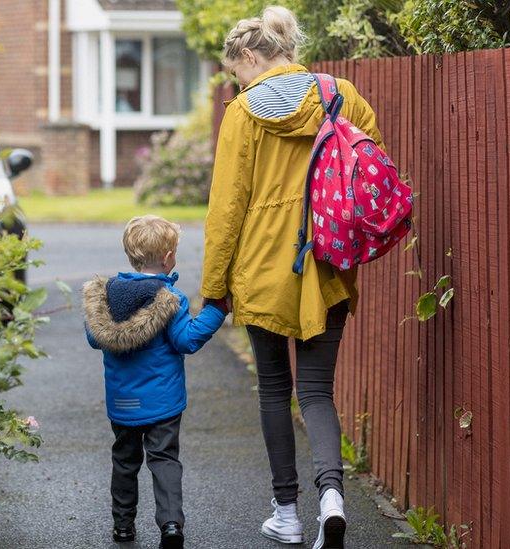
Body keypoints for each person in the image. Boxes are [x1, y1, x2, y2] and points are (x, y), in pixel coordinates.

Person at [201, 6, 386, 549]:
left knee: (274, 391)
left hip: (263, 270)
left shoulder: (242, 115)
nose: (239, 84)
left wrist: (215, 287)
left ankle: (287, 514)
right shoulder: (341, 94)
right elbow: (370, 164)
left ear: (251, 58)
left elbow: (226, 209)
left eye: (238, 74)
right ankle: (333, 498)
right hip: (327, 260)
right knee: (317, 391)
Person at [83, 215, 229, 549]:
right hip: (163, 403)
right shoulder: (170, 299)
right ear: (167, 258)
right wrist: (216, 311)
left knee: (124, 461)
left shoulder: (107, 297)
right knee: (163, 460)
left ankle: (123, 526)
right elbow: (186, 341)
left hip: (121, 404)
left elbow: (95, 338)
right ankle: (172, 526)